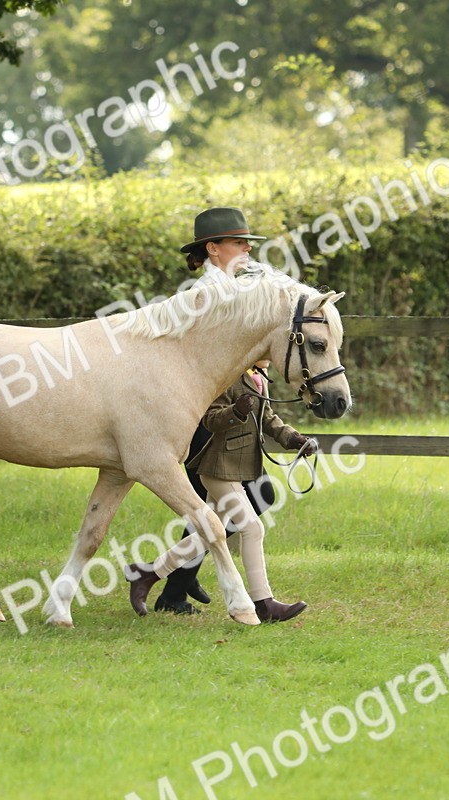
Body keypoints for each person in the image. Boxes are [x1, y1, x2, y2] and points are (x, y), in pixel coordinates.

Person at [150, 207, 312, 619]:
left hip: (232, 411)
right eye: (239, 243)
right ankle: (174, 581)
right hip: (210, 414)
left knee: (226, 506)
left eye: (246, 243)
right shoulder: (206, 296)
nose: (247, 250)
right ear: (213, 249)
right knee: (232, 505)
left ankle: (172, 583)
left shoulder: (234, 289)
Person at [130, 365, 314, 622]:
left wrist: (293, 438)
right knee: (253, 529)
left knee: (208, 533)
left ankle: (149, 573)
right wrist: (235, 412)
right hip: (219, 469)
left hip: (239, 467)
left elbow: (267, 417)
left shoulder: (258, 376)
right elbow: (211, 419)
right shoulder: (227, 374)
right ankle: (264, 603)